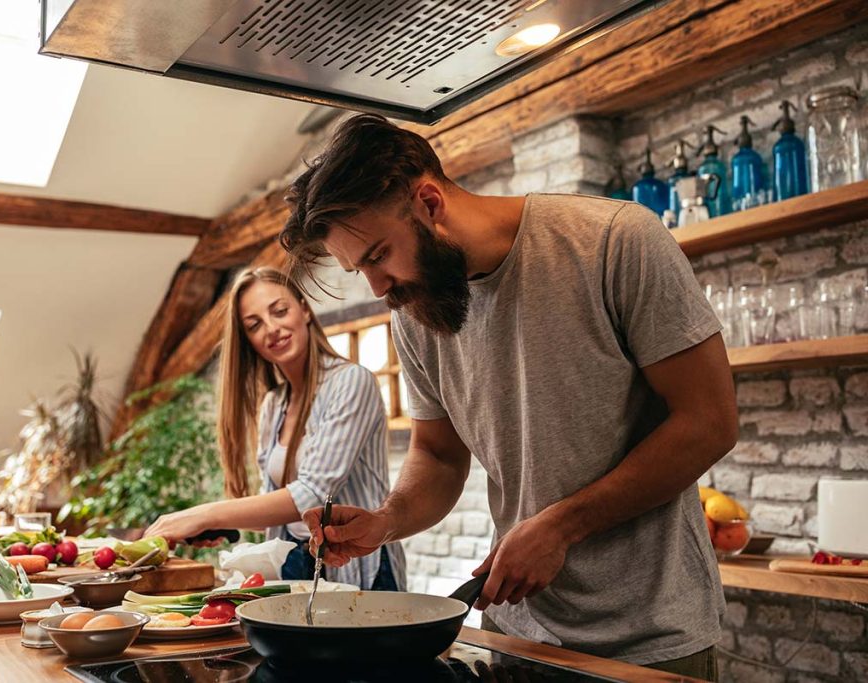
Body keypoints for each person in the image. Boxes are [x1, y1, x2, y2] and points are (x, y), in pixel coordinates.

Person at [279, 114, 737, 679]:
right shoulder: (418, 314)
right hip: (516, 635)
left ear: (428, 202)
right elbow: (440, 455)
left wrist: (562, 526)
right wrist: (386, 520)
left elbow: (709, 421)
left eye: (377, 256)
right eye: (358, 269)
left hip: (649, 638)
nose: (377, 287)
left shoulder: (615, 241)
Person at [145, 266, 405, 591]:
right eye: (254, 325)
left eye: (280, 311)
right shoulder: (273, 404)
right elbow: (279, 507)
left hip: (361, 570)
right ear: (249, 342)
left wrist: (205, 514)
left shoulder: (351, 382)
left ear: (305, 309)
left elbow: (312, 493)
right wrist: (228, 529)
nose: (272, 329)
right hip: (298, 566)